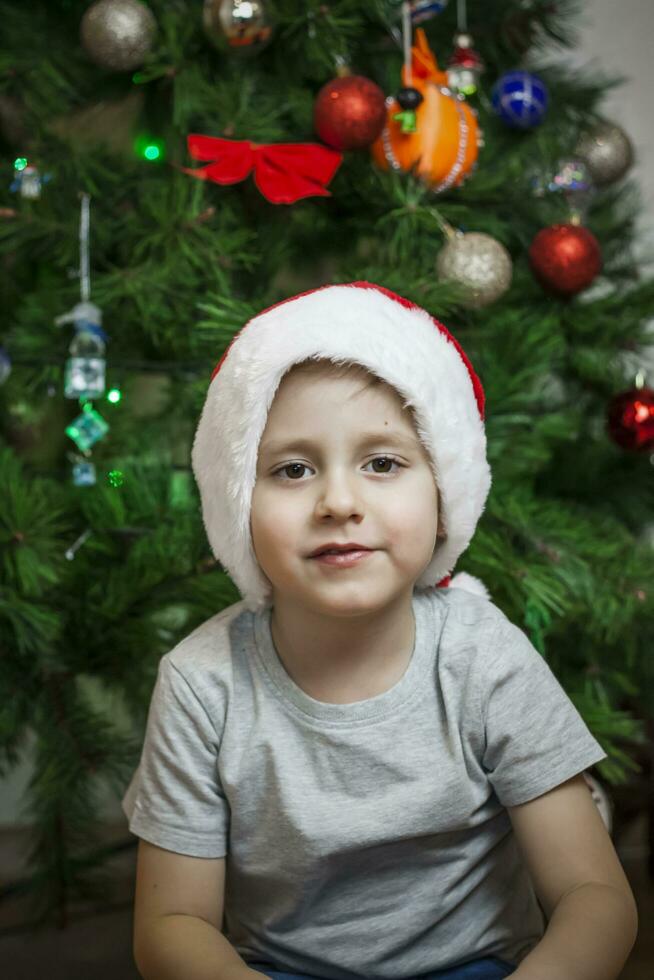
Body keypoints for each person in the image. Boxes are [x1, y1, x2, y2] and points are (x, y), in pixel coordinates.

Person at [122, 282, 608, 980]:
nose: (340, 502)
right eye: (292, 469)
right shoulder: (202, 682)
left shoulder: (483, 654)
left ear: (445, 494)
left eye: (383, 463)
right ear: (236, 507)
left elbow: (592, 896)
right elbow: (172, 926)